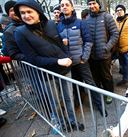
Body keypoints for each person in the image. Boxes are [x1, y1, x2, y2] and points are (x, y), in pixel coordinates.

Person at [13, 0, 83, 133]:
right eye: (22, 13)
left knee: (69, 97)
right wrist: (56, 62)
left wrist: (68, 56)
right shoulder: (20, 32)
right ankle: (63, 124)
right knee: (55, 102)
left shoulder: (51, 24)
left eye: (29, 11)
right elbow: (33, 59)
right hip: (47, 74)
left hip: (65, 69)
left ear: (38, 12)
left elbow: (61, 44)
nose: (26, 15)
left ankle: (73, 121)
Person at [57, 0, 107, 117]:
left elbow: (88, 41)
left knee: (90, 83)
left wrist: (84, 57)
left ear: (72, 8)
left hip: (81, 61)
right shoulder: (59, 26)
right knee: (75, 85)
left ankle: (100, 106)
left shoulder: (81, 23)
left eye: (67, 5)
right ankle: (77, 103)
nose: (64, 7)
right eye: (62, 5)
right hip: (68, 63)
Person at [86, 0, 119, 104]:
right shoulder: (87, 19)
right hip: (92, 55)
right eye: (90, 4)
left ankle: (109, 94)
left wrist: (107, 47)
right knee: (95, 76)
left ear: (98, 5)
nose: (92, 6)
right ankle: (99, 93)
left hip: (104, 54)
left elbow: (115, 34)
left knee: (106, 76)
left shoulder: (107, 17)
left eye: (94, 3)